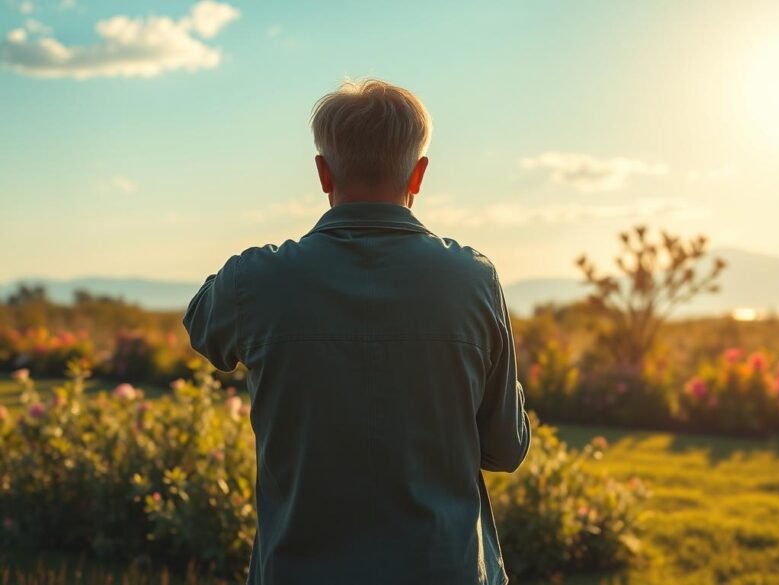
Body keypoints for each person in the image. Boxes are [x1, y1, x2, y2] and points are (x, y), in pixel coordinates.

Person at [183, 79, 530, 585]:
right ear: (419, 174)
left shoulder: (256, 281)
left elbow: (201, 324)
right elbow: (506, 448)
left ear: (323, 173)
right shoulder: (473, 279)